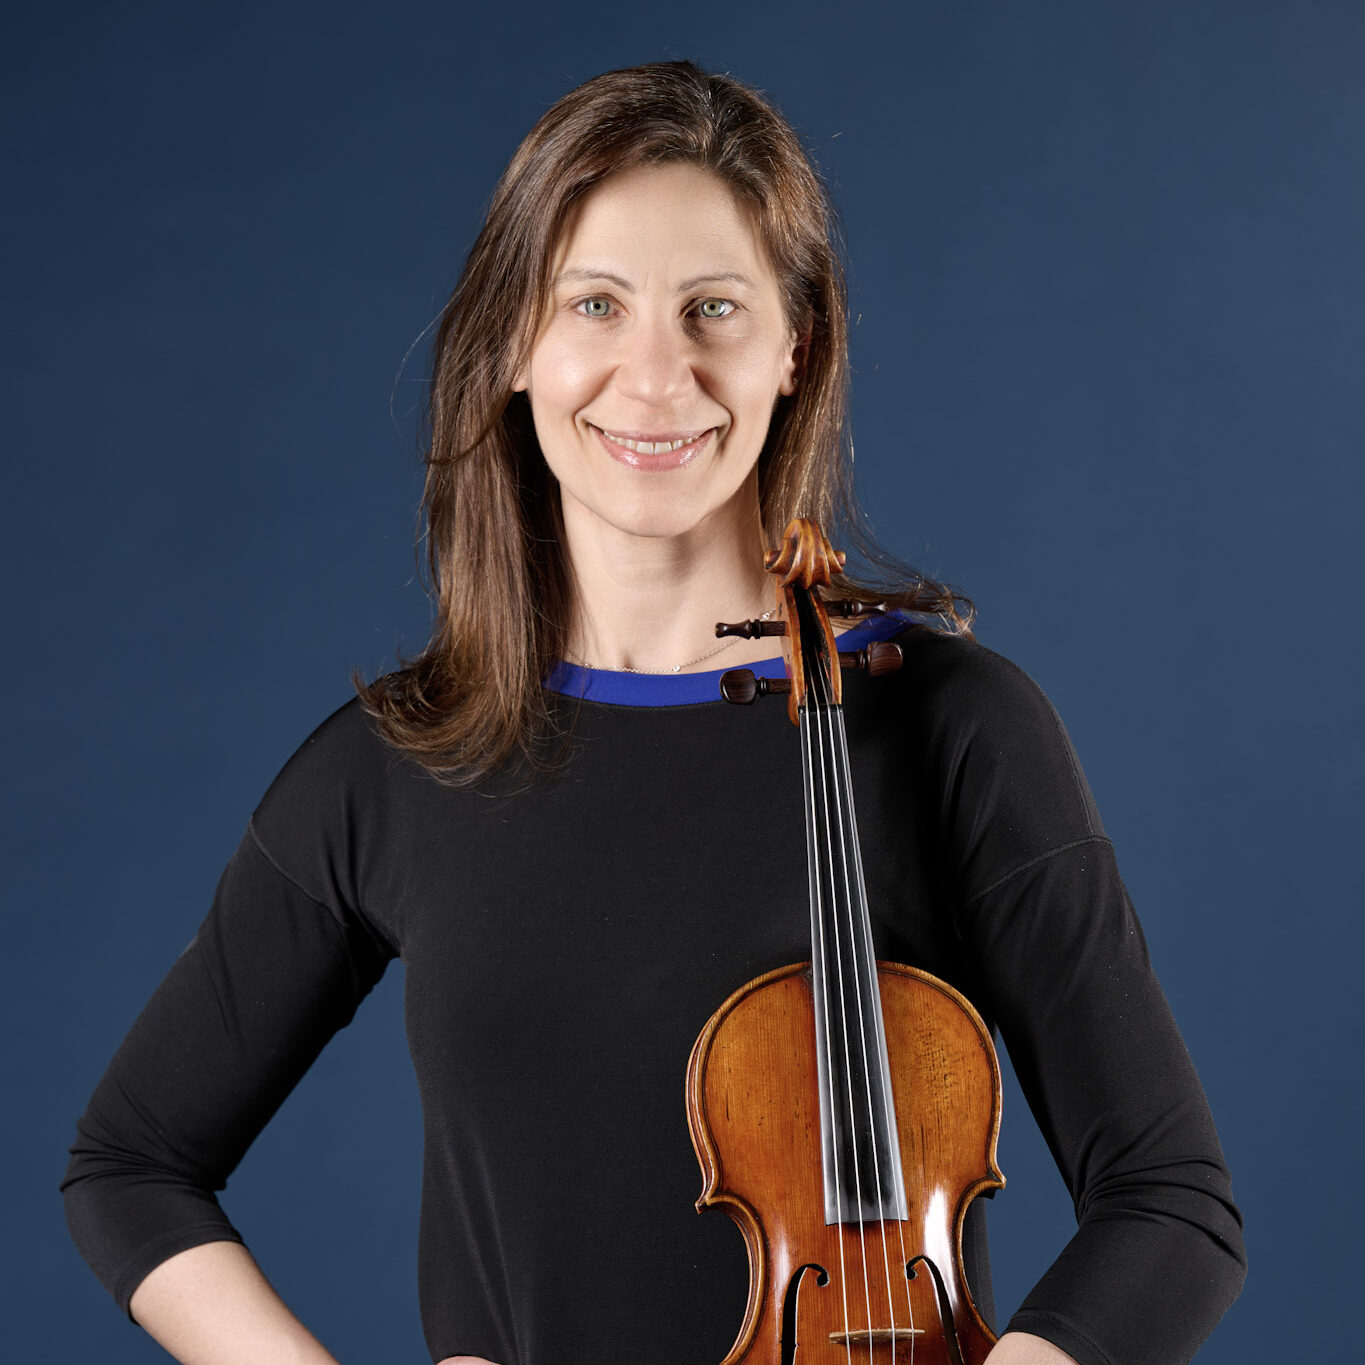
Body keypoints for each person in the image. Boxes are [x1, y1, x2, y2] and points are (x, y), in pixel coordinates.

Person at [63, 61, 1245, 1365]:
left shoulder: (951, 727)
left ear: (795, 346)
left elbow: (1171, 1207)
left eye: (713, 309)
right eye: (596, 304)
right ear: (514, 343)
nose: (655, 374)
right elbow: (129, 1166)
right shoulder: (402, 762)